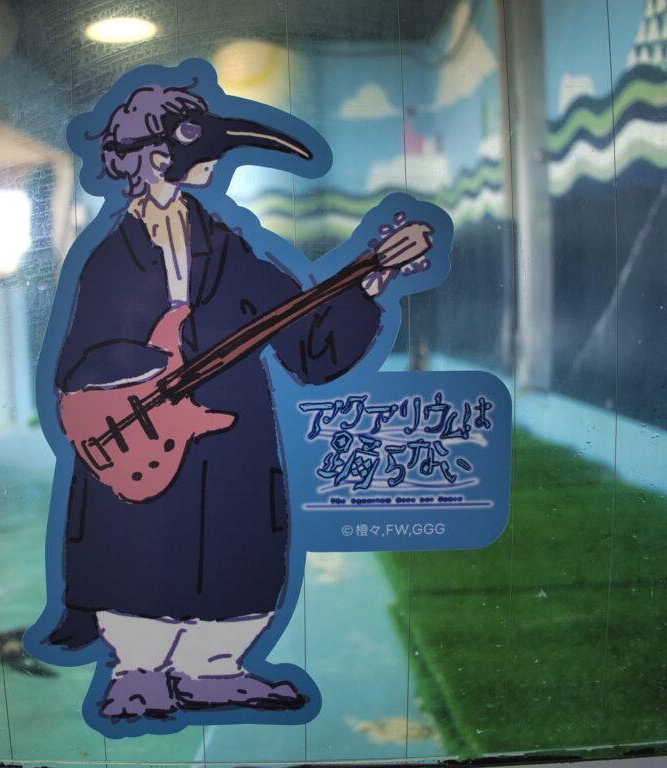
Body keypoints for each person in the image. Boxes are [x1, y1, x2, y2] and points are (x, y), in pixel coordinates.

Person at [39, 81, 424, 721]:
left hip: (231, 438)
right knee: (135, 543)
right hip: (139, 438)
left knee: (237, 539)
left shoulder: (230, 246)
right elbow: (78, 363)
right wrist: (148, 373)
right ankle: (137, 671)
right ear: (156, 158)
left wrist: (369, 282)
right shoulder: (109, 258)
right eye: (205, 150)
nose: (217, 163)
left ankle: (215, 668)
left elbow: (307, 346)